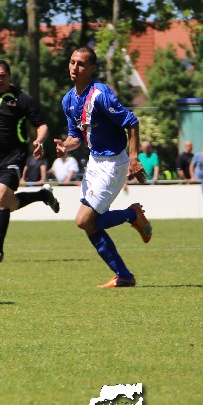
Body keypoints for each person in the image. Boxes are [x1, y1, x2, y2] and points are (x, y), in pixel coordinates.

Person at [55, 46, 152, 289]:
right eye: (72, 62)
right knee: (89, 224)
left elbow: (131, 121)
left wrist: (134, 158)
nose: (75, 67)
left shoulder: (100, 94)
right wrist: (65, 146)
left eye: (81, 64)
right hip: (94, 163)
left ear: (92, 69)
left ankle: (132, 214)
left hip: (113, 163)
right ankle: (124, 275)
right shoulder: (68, 100)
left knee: (83, 221)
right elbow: (76, 136)